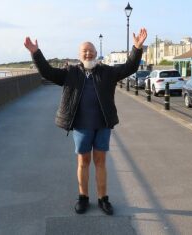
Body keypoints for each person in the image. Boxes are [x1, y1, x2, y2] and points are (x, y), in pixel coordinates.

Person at [24, 28, 147, 215]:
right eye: (84, 51)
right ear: (79, 56)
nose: (88, 53)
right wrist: (36, 53)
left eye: (91, 51)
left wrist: (137, 48)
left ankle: (103, 199)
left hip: (103, 125)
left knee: (100, 162)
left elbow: (129, 67)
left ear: (96, 54)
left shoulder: (107, 72)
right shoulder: (70, 72)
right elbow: (48, 72)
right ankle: (83, 197)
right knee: (83, 162)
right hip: (81, 127)